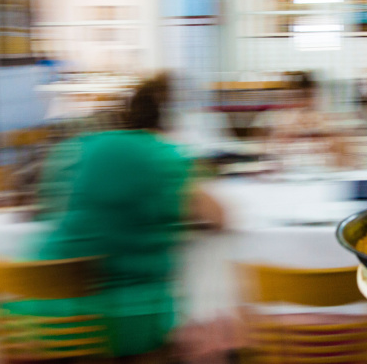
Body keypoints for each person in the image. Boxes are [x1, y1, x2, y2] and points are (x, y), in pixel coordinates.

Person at [16, 73, 224, 360]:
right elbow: (219, 216)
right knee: (208, 337)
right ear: (173, 121)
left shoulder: (80, 147)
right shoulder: (164, 155)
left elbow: (47, 204)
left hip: (47, 317)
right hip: (122, 323)